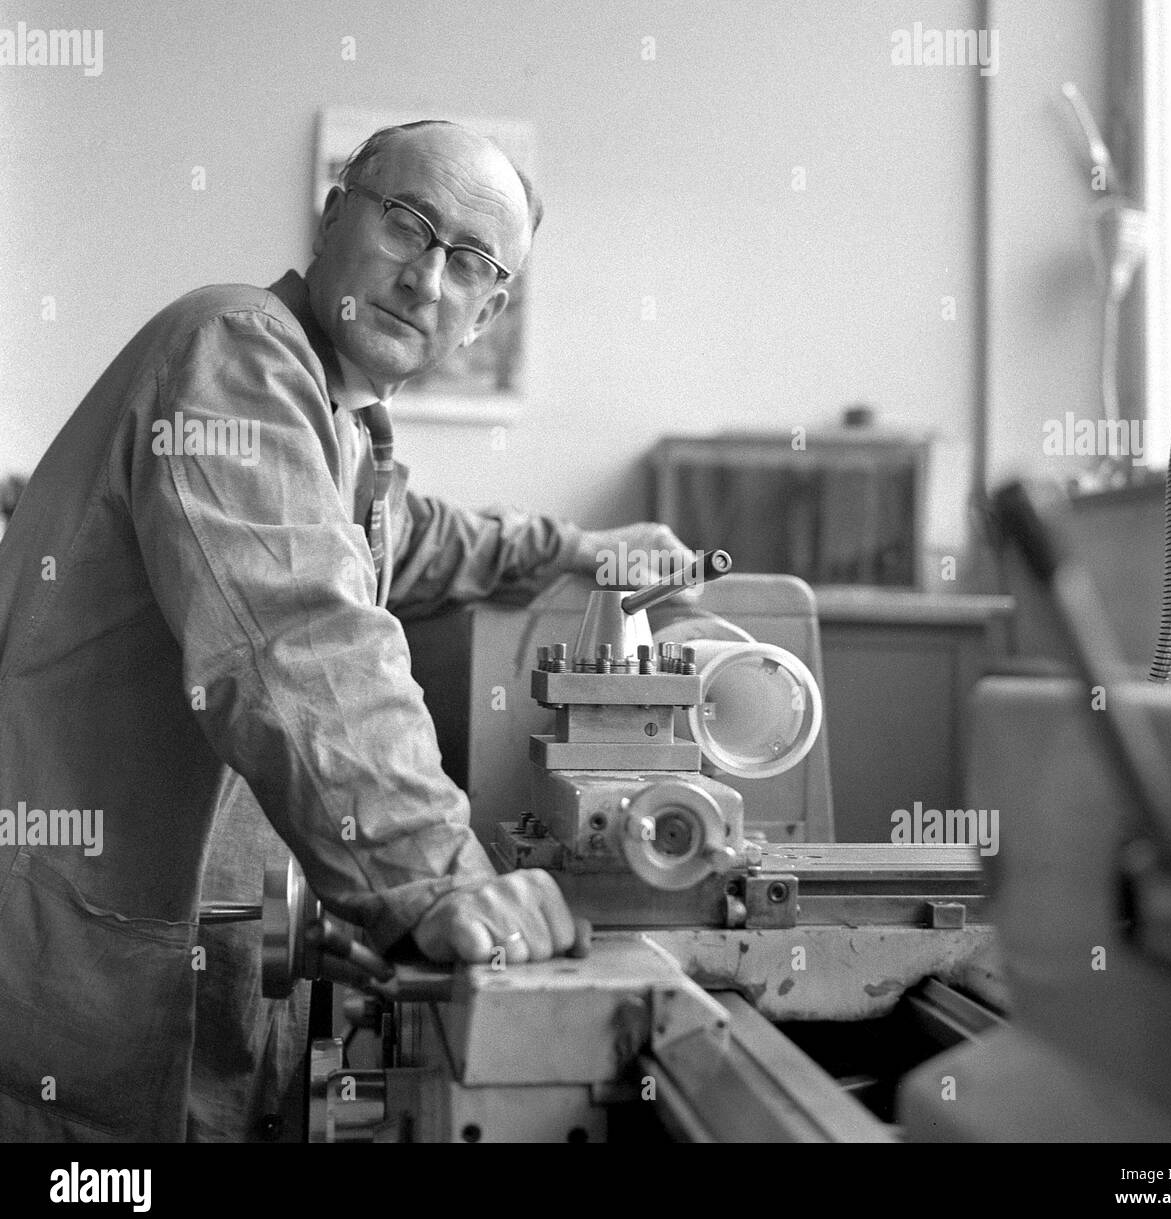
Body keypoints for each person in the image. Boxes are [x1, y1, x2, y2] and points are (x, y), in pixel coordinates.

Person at [0, 118, 689, 1142]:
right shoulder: (234, 351)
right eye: (410, 224)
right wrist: (435, 877)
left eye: (470, 263)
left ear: (487, 310)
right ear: (334, 216)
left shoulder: (344, 430)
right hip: (79, 972)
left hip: (194, 951)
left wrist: (581, 547)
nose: (427, 279)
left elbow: (416, 542)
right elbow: (301, 638)